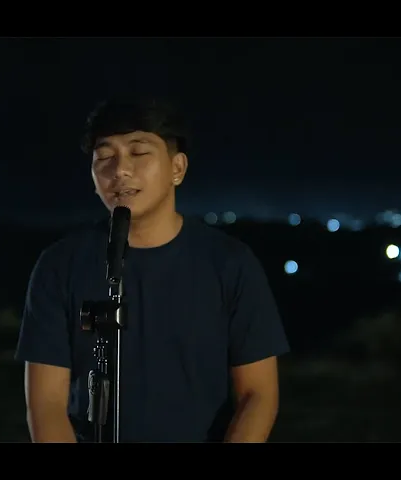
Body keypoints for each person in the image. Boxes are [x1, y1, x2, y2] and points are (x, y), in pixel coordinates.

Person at [15, 96, 289, 442]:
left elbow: (258, 395)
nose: (120, 170)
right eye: (104, 157)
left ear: (177, 168)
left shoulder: (230, 263)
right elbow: (46, 404)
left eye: (139, 152)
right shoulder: (60, 266)